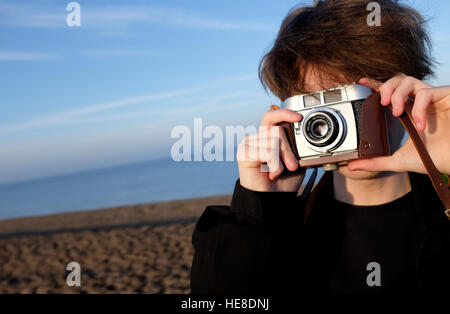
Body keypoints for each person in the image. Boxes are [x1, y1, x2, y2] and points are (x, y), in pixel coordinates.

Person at [190, 0, 450, 294]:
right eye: (321, 107)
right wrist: (256, 215)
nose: (334, 125)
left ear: (410, 91)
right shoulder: (286, 229)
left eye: (358, 100)